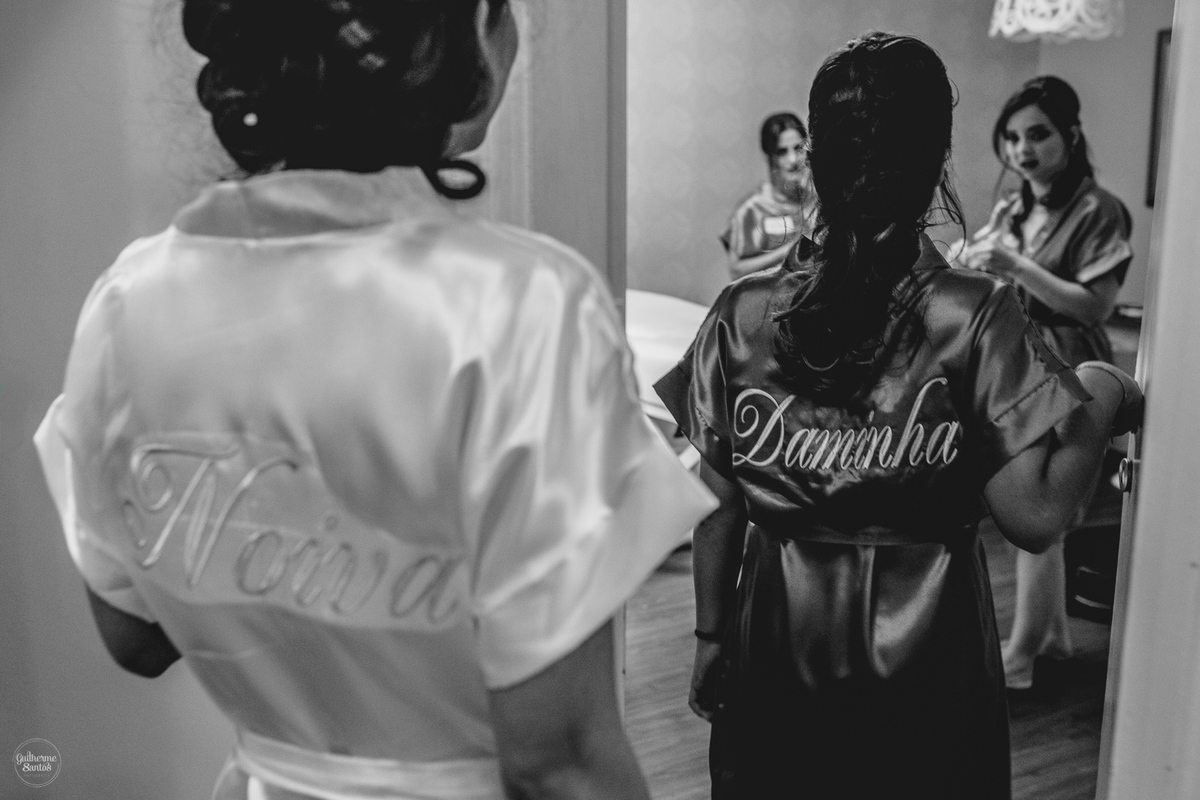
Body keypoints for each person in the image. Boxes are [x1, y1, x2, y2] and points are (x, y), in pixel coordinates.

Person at [33, 2, 716, 799]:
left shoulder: (128, 304)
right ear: (464, 39)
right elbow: (557, 757)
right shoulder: (522, 304)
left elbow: (132, 634)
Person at [655, 32, 1142, 799]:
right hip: (931, 660)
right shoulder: (975, 314)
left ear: (816, 162)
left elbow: (716, 507)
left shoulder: (742, 312)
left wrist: (712, 635)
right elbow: (1038, 514)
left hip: (777, 638)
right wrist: (1102, 386)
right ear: (937, 164)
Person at [954, 76, 1133, 691]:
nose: (1022, 149)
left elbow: (1094, 307)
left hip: (1067, 362)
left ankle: (1022, 653)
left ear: (1071, 135)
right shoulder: (1015, 206)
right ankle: (1051, 635)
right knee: (1031, 509)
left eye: (1038, 134)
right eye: (1011, 137)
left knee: (1037, 510)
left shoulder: (1099, 209)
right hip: (1015, 362)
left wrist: (1016, 266)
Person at [720, 112, 818, 281]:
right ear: (770, 157)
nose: (793, 159)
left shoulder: (817, 202)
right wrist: (791, 251)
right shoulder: (753, 209)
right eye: (782, 152)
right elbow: (736, 271)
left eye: (798, 148)